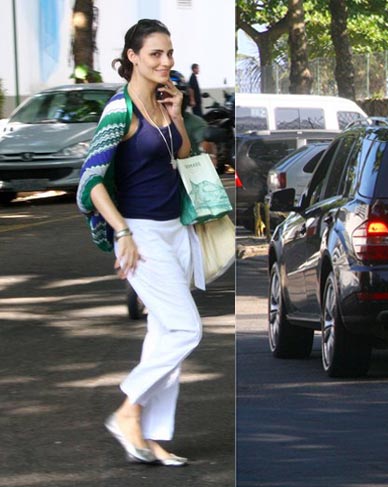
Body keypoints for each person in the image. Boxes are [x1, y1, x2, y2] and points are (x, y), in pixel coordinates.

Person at [76, 19, 202, 467]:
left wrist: (177, 116)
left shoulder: (162, 101)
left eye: (169, 53)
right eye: (155, 54)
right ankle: (127, 410)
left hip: (175, 230)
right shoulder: (121, 109)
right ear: (132, 57)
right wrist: (122, 233)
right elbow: (91, 180)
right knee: (187, 329)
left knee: (164, 335)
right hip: (142, 233)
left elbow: (182, 155)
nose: (166, 62)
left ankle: (152, 436)